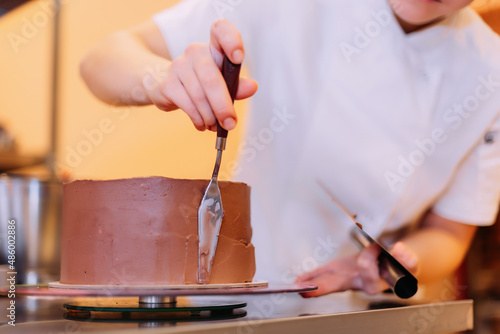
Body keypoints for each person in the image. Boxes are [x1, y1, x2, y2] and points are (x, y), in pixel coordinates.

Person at [80, 0, 500, 297]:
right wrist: (161, 79)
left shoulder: (490, 70)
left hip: (359, 312)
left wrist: (399, 262)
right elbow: (100, 61)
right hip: (238, 295)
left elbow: (451, 232)